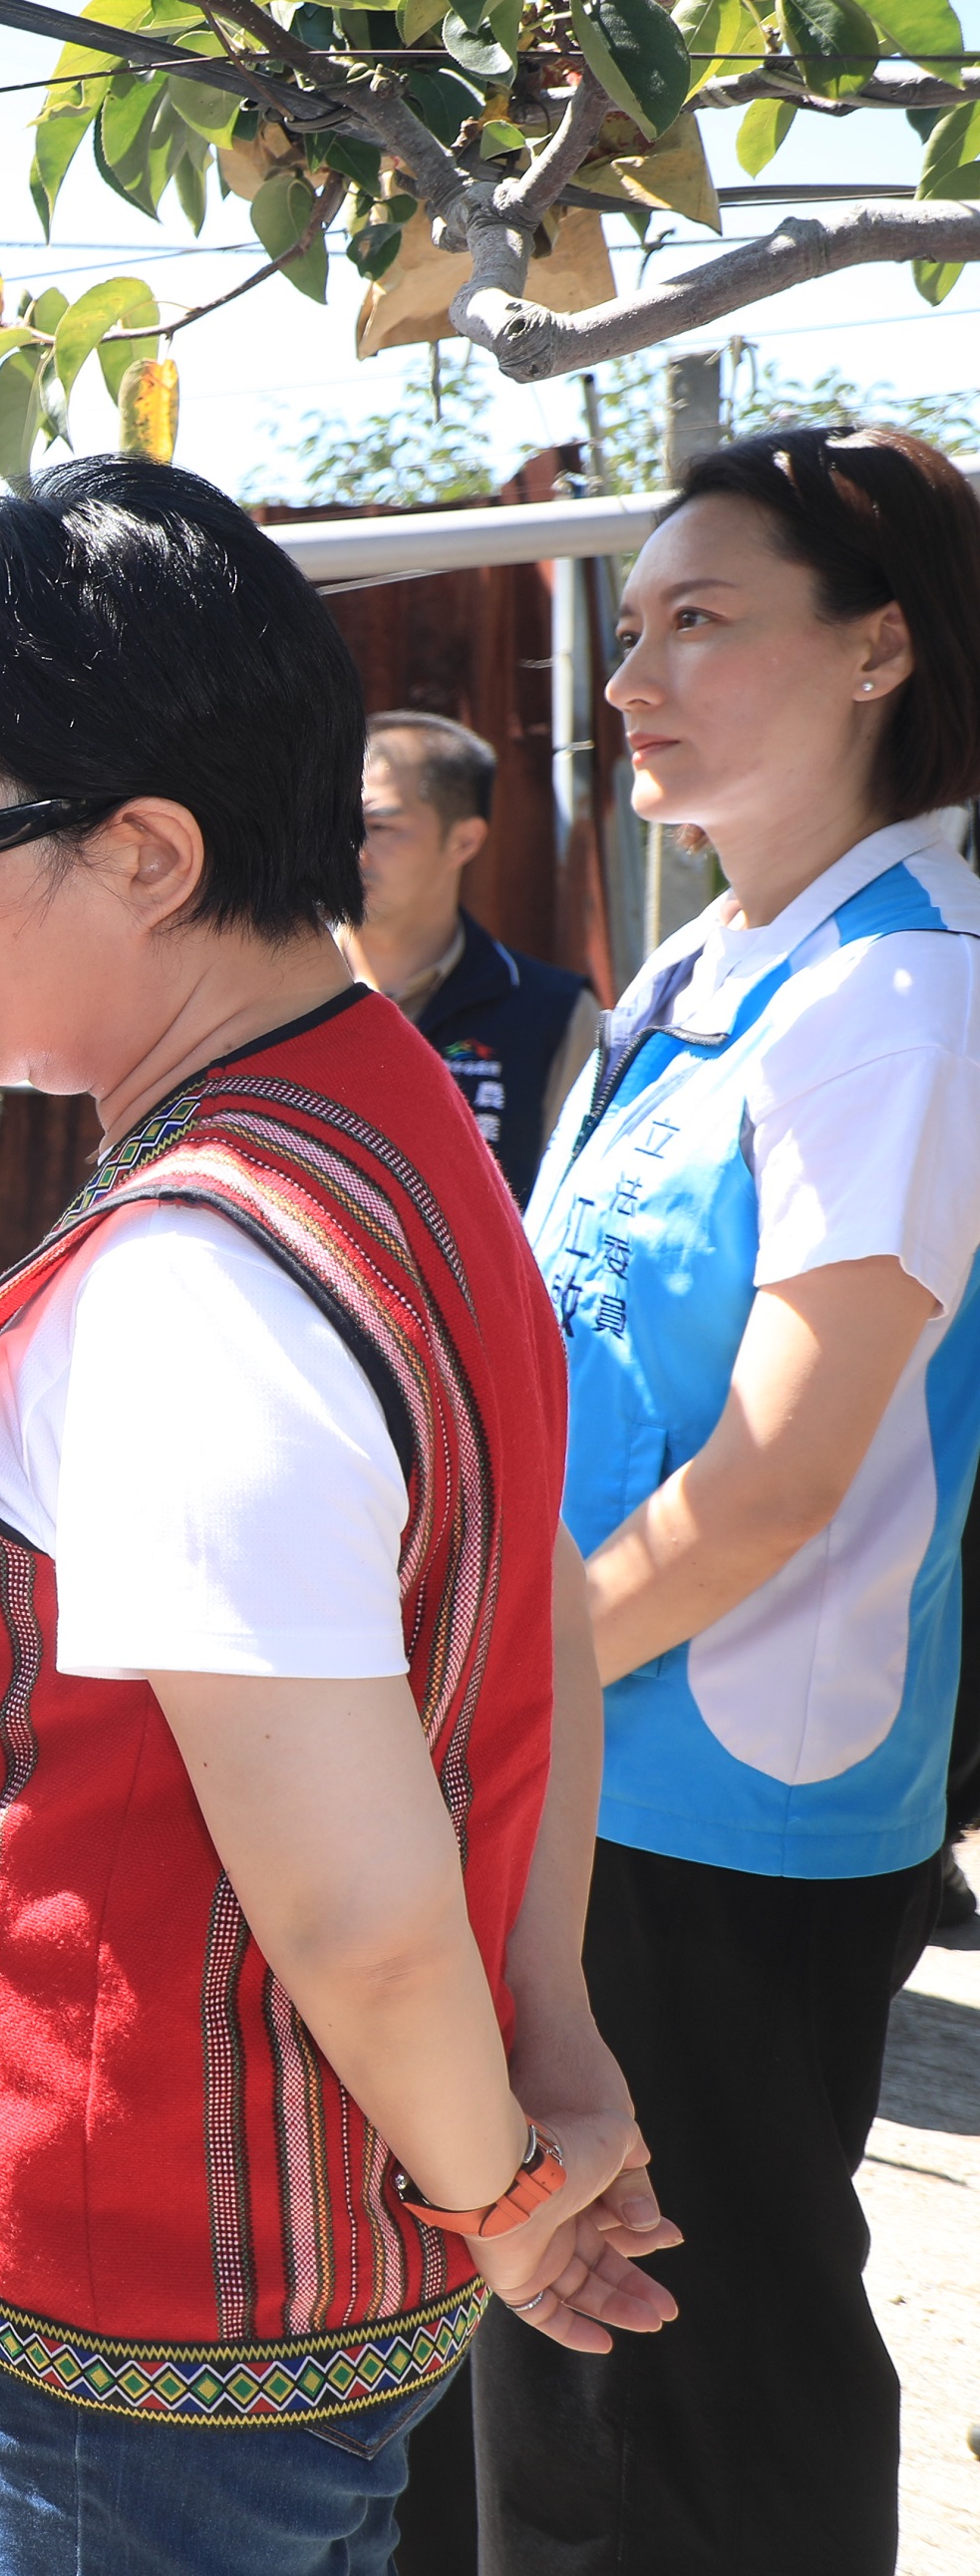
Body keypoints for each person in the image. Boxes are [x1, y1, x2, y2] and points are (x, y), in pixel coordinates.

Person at [0, 457, 672, 2575]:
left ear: (142, 851)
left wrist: (496, 2192)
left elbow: (357, 1906)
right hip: (266, 2228)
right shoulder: (386, 1102)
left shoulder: (203, 1273)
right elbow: (519, 1616)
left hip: (155, 2274)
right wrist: (538, 2050)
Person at [465, 425, 980, 2574]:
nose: (631, 674)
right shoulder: (707, 969)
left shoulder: (902, 990)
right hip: (593, 1765)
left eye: (702, 620)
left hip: (725, 1795)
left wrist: (477, 1705)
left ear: (876, 649)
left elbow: (772, 1479)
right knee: (562, 2388)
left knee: (691, 2382)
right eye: (630, 626)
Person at [340, 710, 602, 1204]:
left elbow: (574, 1210)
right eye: (335, 823)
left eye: (378, 825)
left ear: (464, 840)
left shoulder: (553, 1015)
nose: (349, 847)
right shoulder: (267, 989)